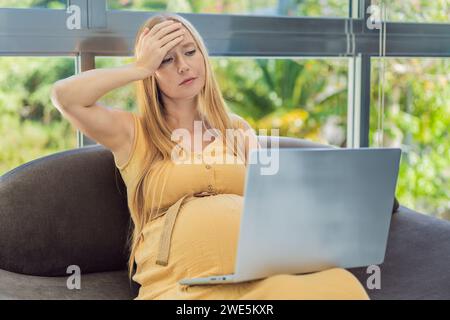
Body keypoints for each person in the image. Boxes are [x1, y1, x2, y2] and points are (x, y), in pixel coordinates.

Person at [50, 12, 369, 300]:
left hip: (261, 279)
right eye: (166, 60)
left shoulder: (238, 129)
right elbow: (66, 97)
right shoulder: (134, 133)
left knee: (342, 285)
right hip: (183, 285)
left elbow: (270, 203)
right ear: (152, 76)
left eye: (190, 52)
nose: (184, 66)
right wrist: (139, 66)